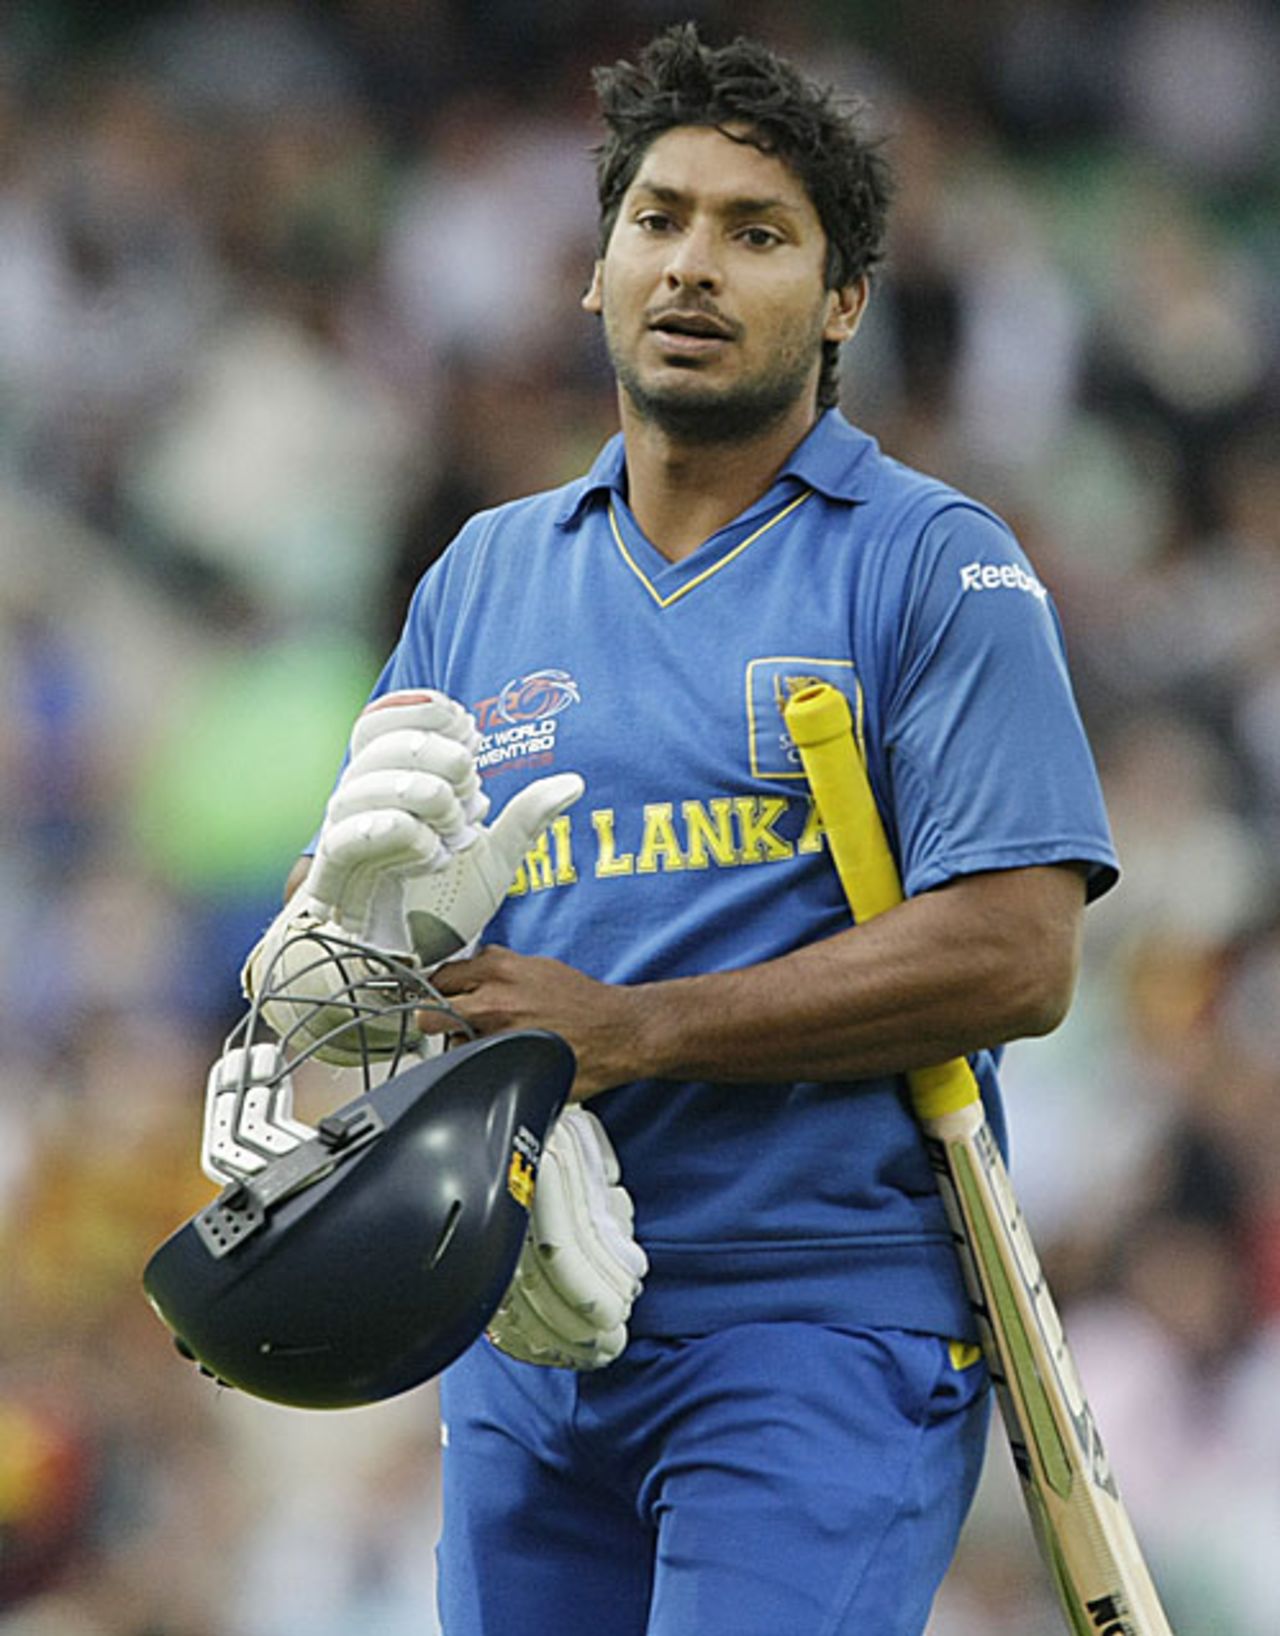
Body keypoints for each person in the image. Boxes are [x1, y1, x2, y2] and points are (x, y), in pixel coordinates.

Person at [252, 23, 1118, 1635]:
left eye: (757, 233)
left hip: (818, 1323)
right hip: (529, 1309)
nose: (691, 266)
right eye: (656, 221)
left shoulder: (933, 563)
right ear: (594, 271)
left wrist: (638, 1029)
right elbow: (369, 927)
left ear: (844, 300)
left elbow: (1020, 951)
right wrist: (334, 938)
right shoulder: (484, 575)